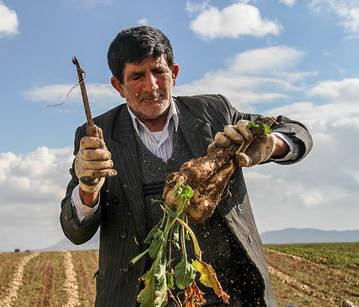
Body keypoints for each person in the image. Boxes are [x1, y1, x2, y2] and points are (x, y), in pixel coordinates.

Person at [60, 26, 313, 307]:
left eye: (159, 71)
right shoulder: (96, 134)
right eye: (137, 76)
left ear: (174, 74)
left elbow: (297, 132)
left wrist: (271, 144)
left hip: (229, 295)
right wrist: (88, 188)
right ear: (118, 86)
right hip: (139, 298)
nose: (152, 86)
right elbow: (75, 231)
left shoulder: (215, 111)